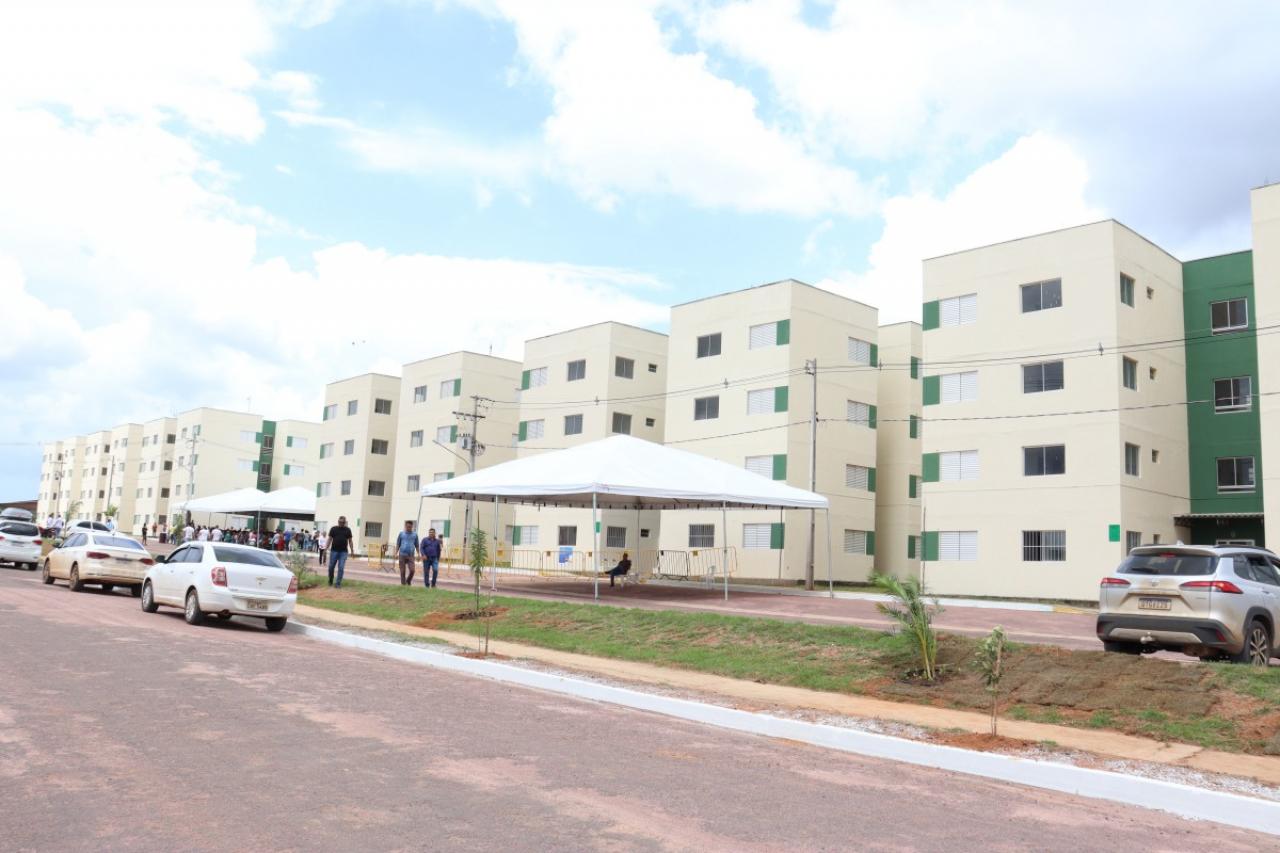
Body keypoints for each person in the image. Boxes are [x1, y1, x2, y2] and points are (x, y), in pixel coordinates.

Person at [327, 516, 353, 587]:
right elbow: (329, 539)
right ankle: (331, 579)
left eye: (342, 522)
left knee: (341, 567)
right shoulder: (333, 529)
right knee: (331, 567)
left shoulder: (348, 530)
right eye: (340, 522)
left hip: (343, 552)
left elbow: (350, 541)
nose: (341, 523)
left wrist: (352, 550)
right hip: (334, 551)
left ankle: (338, 583)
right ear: (338, 522)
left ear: (345, 522)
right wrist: (326, 548)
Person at [394, 521, 419, 586]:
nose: (408, 528)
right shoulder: (401, 534)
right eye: (407, 527)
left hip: (411, 555)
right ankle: (403, 584)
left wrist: (418, 554)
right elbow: (398, 544)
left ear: (412, 527)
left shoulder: (415, 535)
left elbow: (417, 545)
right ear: (405, 526)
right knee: (402, 571)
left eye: (410, 527)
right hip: (402, 554)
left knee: (412, 570)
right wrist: (396, 553)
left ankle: (408, 581)